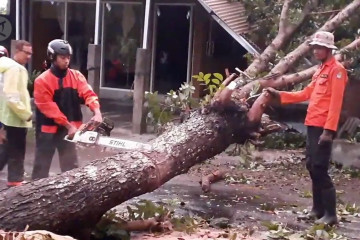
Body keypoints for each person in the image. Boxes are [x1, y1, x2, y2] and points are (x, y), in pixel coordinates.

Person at [266, 31, 347, 225]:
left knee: (319, 168)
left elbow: (336, 104)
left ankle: (330, 215)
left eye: (319, 48)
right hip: (312, 124)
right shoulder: (320, 70)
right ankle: (317, 210)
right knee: (311, 166)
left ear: (328, 49)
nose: (315, 51)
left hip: (324, 127)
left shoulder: (337, 70)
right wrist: (280, 95)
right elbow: (305, 93)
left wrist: (329, 131)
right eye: (314, 47)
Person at [31, 39, 102, 180]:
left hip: (70, 131)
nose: (66, 61)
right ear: (52, 57)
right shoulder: (42, 81)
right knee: (41, 168)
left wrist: (97, 112)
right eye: (63, 58)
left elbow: (88, 94)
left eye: (68, 57)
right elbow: (49, 108)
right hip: (48, 131)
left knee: (70, 168)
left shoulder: (76, 76)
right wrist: (68, 125)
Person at [0, 41, 33, 187]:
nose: (29, 57)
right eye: (26, 53)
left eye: (30, 53)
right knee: (17, 152)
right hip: (15, 119)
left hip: (9, 118)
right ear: (17, 51)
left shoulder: (7, 67)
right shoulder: (15, 69)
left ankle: (15, 180)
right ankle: (15, 181)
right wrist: (25, 113)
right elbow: (11, 95)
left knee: (7, 151)